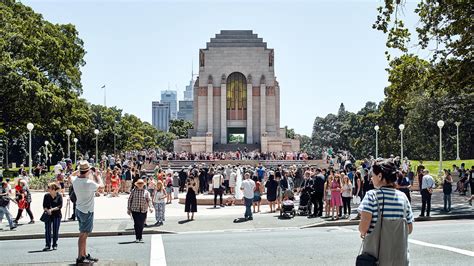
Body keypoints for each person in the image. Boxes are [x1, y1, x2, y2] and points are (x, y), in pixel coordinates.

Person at [357, 160, 413, 265]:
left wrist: (362, 232)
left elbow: (363, 228)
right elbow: (409, 229)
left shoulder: (371, 196)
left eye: (372, 175)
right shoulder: (403, 197)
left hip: (376, 260)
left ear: (379, 176)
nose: (371, 178)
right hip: (399, 259)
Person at [71, 161, 101, 264]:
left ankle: (83, 255)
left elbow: (71, 175)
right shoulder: (89, 183)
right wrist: (97, 176)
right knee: (84, 235)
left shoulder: (75, 180)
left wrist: (79, 170)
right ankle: (80, 257)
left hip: (79, 209)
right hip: (87, 210)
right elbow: (101, 186)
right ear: (88, 171)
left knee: (83, 234)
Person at [42, 183, 63, 251]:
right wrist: (47, 210)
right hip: (48, 215)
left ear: (53, 189)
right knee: (47, 230)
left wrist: (52, 209)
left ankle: (54, 244)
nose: (48, 189)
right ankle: (47, 245)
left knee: (55, 230)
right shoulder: (46, 196)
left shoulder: (59, 196)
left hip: (57, 215)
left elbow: (60, 206)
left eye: (49, 188)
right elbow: (44, 205)